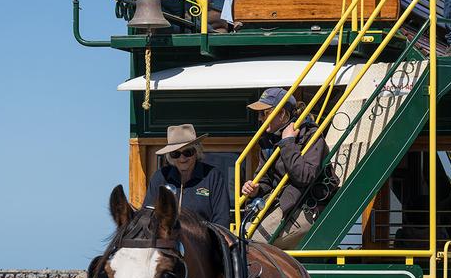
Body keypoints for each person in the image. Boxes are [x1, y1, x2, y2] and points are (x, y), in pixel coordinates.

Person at [242, 87, 336, 249]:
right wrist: (255, 189)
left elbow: (305, 176)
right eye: (259, 114)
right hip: (282, 204)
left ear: (282, 114)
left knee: (251, 246)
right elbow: (265, 181)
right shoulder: (267, 140)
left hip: (307, 207)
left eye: (264, 113)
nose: (259, 118)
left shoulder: (310, 135)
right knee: (241, 239)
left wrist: (288, 143)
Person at [144, 124, 231, 226]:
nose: (182, 158)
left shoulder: (213, 176)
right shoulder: (160, 177)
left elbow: (222, 217)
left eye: (188, 152)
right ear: (170, 156)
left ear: (196, 152)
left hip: (204, 239)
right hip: (165, 239)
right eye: (175, 154)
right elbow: (147, 214)